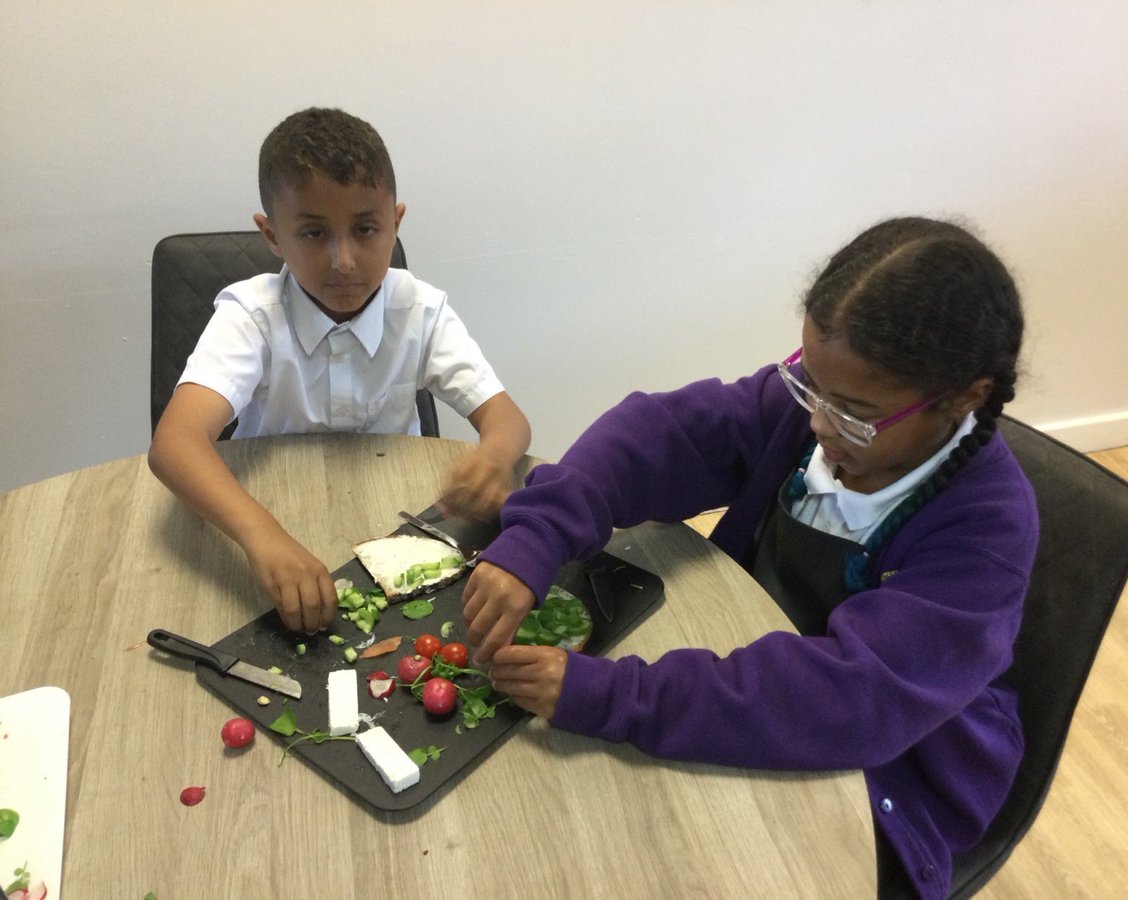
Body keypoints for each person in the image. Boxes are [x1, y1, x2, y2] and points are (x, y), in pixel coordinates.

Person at [462, 217, 1036, 900]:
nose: (818, 426)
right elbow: (661, 432)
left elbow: (851, 700)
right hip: (735, 683)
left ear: (963, 398)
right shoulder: (812, 416)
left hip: (887, 778)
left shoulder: (987, 527)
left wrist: (615, 694)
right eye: (808, 386)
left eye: (852, 412)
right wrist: (540, 533)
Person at [148, 107, 530, 635]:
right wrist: (263, 535)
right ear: (272, 236)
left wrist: (491, 458)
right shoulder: (252, 316)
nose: (344, 260)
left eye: (366, 229)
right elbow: (175, 444)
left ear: (394, 223)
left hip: (397, 521)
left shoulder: (420, 310)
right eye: (312, 234)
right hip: (266, 512)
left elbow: (508, 420)